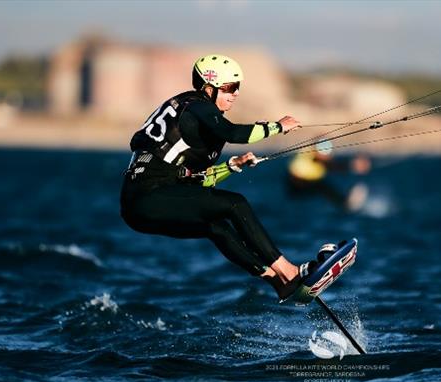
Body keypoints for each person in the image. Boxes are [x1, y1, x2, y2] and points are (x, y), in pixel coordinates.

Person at [120, 54, 310, 301]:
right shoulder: (197, 107)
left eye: (238, 88)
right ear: (208, 89)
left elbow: (194, 184)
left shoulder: (194, 119)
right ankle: (289, 271)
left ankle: (277, 283)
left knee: (216, 227)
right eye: (230, 88)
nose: (235, 93)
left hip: (144, 205)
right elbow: (231, 133)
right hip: (146, 196)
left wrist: (231, 166)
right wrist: (276, 126)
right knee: (234, 203)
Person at [287, 141, 371, 212]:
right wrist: (353, 165)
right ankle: (345, 204)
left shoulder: (311, 153)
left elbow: (331, 164)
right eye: (325, 154)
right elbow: (333, 166)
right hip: (298, 185)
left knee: (323, 185)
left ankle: (344, 203)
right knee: (323, 186)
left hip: (297, 185)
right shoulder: (314, 157)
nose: (327, 156)